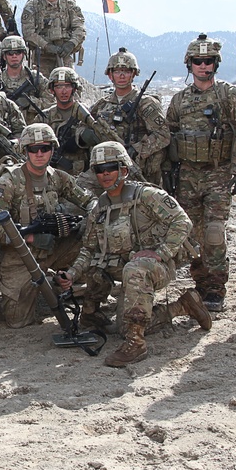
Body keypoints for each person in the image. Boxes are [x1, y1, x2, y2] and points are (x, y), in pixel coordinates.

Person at [57, 142, 208, 367]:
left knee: (133, 282)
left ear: (124, 170)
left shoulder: (147, 196)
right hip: (126, 269)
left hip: (153, 268)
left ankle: (137, 342)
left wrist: (160, 253)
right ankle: (94, 314)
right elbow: (89, 249)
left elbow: (182, 222)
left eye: (111, 167)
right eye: (99, 170)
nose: (105, 174)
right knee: (98, 269)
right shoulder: (99, 208)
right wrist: (70, 274)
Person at [165, 34, 236, 311]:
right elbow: (168, 137)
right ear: (189, 65)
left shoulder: (229, 96)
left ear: (216, 64)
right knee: (191, 234)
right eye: (198, 61)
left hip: (218, 174)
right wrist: (168, 172)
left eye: (208, 62)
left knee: (214, 233)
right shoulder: (179, 101)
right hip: (188, 176)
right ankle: (201, 283)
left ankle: (216, 288)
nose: (203, 66)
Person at [0, 123, 94, 328]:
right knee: (17, 320)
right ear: (25, 151)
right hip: (20, 256)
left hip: (54, 248)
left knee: (92, 236)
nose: (39, 153)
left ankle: (72, 282)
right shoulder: (8, 182)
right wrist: (30, 237)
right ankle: (52, 285)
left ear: (53, 149)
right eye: (33, 149)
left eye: (45, 148)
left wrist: (89, 218)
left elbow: (89, 200)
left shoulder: (58, 177)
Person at [88, 48, 169, 185]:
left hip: (137, 170)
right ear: (110, 75)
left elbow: (163, 135)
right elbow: (83, 124)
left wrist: (136, 150)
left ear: (133, 74)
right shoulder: (102, 104)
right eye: (117, 71)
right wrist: (86, 135)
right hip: (105, 170)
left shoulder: (146, 103)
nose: (121, 76)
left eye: (126, 71)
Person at [21, 0, 86, 76]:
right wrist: (46, 46)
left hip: (64, 55)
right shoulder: (32, 6)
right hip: (42, 59)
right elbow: (28, 33)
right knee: (42, 88)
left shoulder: (69, 5)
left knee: (69, 85)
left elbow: (80, 29)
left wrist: (71, 44)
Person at [43, 67, 97, 176]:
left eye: (67, 86)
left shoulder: (87, 114)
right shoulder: (44, 117)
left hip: (83, 175)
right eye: (59, 86)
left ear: (74, 89)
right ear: (52, 90)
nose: (63, 91)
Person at [0, 35, 53, 124]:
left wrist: (30, 102)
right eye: (10, 53)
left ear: (23, 54)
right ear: (4, 56)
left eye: (18, 52)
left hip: (32, 128)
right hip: (5, 127)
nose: (14, 56)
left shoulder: (35, 78)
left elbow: (51, 102)